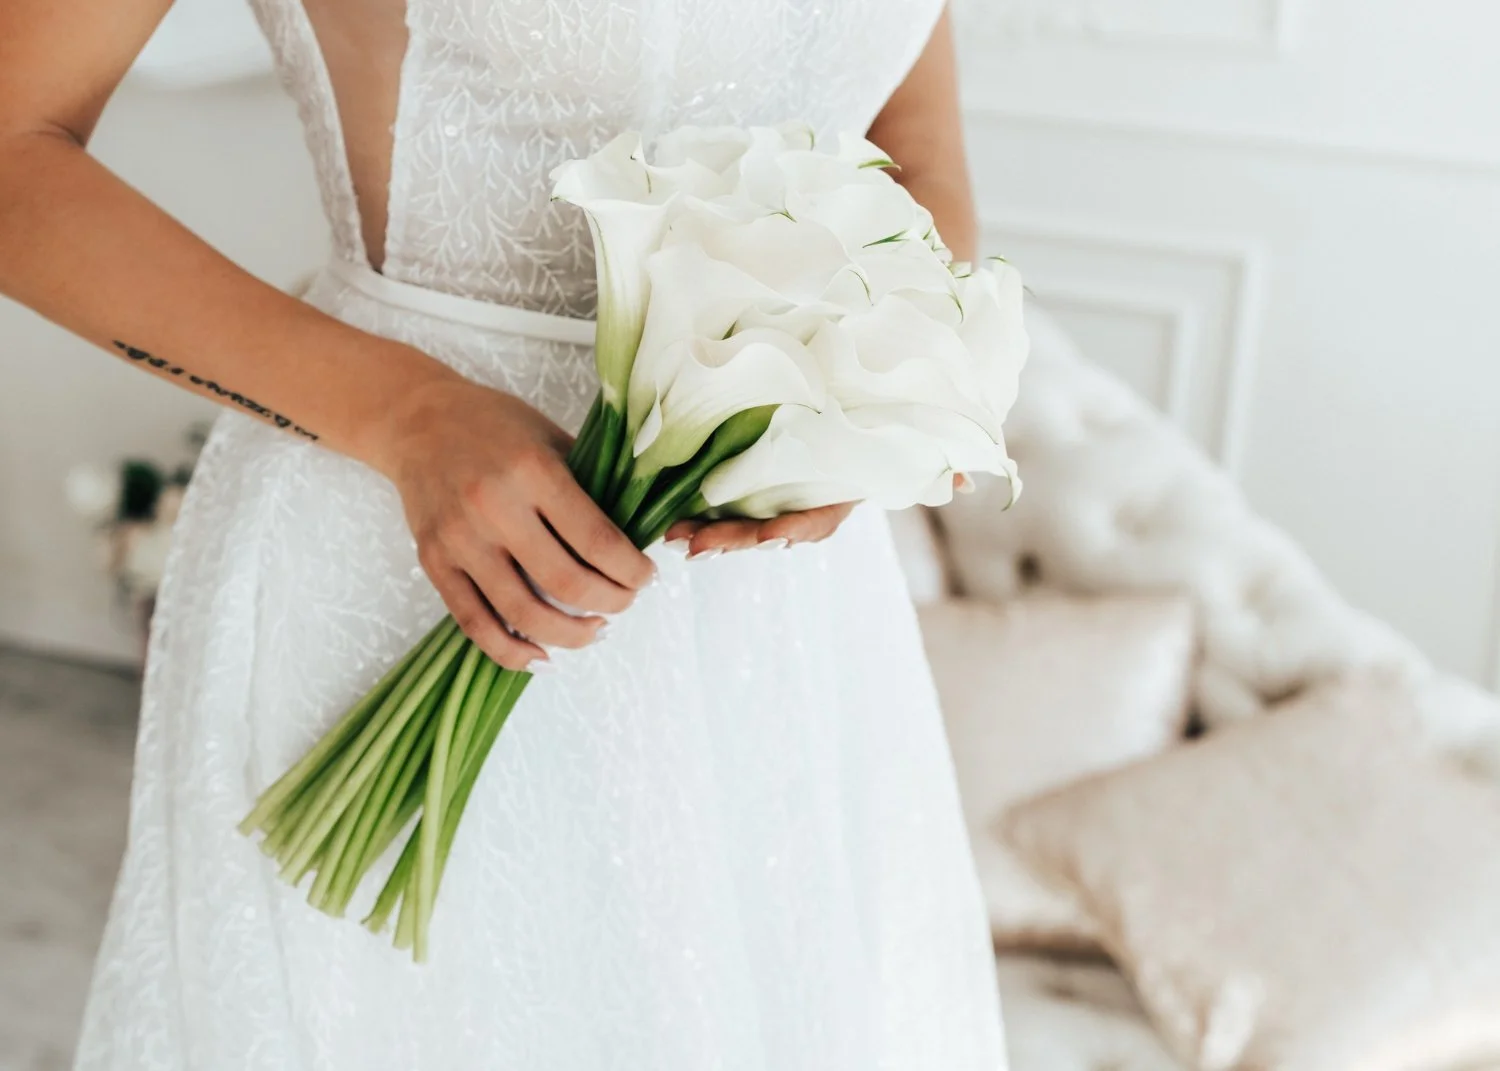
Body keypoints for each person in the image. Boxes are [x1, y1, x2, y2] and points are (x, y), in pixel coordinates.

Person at [0, 1, 1007, 1066]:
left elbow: (916, 157)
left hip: (785, 629)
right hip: (408, 548)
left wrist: (854, 411)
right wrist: (406, 413)